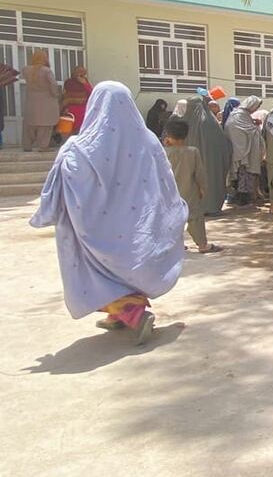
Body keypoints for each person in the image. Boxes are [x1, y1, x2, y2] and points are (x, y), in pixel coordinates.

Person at [29, 81, 186, 345]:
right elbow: (165, 179)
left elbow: (69, 177)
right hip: (137, 226)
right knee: (129, 262)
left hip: (98, 226)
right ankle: (117, 315)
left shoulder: (82, 146)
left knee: (96, 268)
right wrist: (171, 211)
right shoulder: (148, 140)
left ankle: (133, 314)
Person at [164, 119, 222, 254]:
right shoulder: (192, 151)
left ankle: (175, 244)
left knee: (171, 218)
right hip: (189, 190)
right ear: (186, 135)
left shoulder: (163, 152)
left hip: (169, 192)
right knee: (195, 217)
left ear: (168, 136)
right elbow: (200, 173)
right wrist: (202, 188)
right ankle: (202, 244)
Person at [179, 95, 231, 215]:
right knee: (212, 181)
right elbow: (224, 144)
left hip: (195, 163)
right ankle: (212, 206)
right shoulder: (212, 121)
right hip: (214, 163)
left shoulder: (188, 123)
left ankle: (199, 207)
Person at [224, 96, 264, 208]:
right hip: (242, 152)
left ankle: (240, 198)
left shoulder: (238, 115)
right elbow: (248, 131)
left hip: (239, 150)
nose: (256, 109)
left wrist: (254, 124)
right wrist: (256, 128)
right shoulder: (240, 115)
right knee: (243, 176)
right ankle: (243, 200)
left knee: (241, 176)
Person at [20, 50, 60, 151]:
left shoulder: (25, 69)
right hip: (47, 101)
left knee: (30, 124)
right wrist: (56, 94)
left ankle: (27, 146)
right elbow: (53, 85)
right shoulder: (46, 70)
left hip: (31, 101)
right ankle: (43, 146)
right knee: (45, 125)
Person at [60, 66, 93, 137]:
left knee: (80, 130)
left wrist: (85, 84)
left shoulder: (85, 82)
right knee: (71, 130)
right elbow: (65, 96)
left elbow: (91, 94)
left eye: (83, 73)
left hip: (81, 110)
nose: (82, 75)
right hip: (72, 110)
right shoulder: (69, 83)